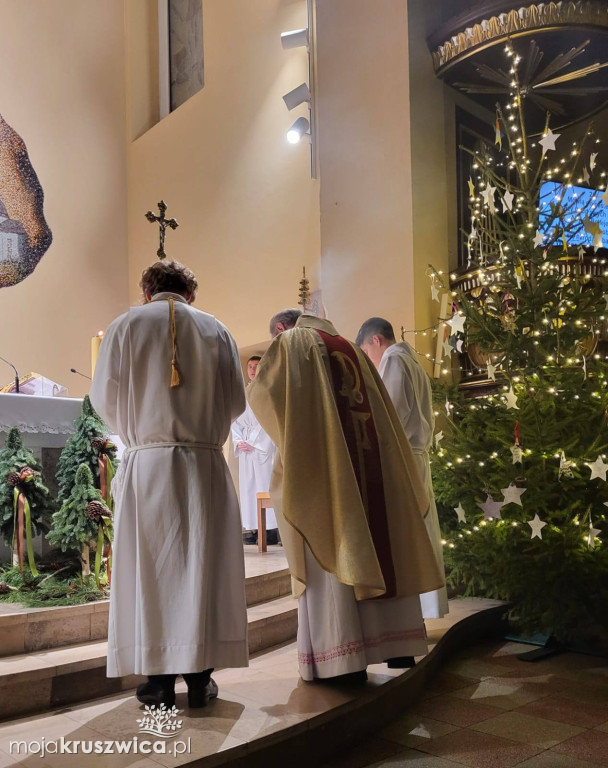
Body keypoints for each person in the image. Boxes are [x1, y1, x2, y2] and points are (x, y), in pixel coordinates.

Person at [248, 309, 444, 682]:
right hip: (375, 469)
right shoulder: (358, 354)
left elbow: (267, 398)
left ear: (281, 329)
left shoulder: (294, 343)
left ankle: (344, 663)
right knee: (384, 542)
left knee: (334, 547)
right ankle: (397, 647)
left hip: (327, 471)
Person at [89, 260, 249, 709]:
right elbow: (236, 400)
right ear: (190, 294)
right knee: (202, 568)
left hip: (150, 467)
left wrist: (142, 434)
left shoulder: (125, 326)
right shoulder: (216, 330)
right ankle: (200, 679)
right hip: (203, 466)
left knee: (152, 572)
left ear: (147, 292)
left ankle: (157, 682)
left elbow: (104, 400)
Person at [356, 317, 448, 619]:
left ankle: (414, 609)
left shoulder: (394, 362)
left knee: (408, 534)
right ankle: (427, 605)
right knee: (423, 528)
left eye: (367, 353)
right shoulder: (414, 363)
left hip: (404, 456)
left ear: (376, 341)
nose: (370, 361)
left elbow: (389, 413)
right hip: (417, 455)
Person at [232, 356, 278, 545]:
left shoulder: (268, 392)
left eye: (255, 366)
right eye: (249, 366)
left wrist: (253, 442)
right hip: (246, 450)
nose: (251, 369)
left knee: (264, 486)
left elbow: (269, 419)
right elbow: (234, 420)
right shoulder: (242, 394)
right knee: (249, 488)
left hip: (262, 450)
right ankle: (253, 528)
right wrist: (238, 440)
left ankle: (270, 531)